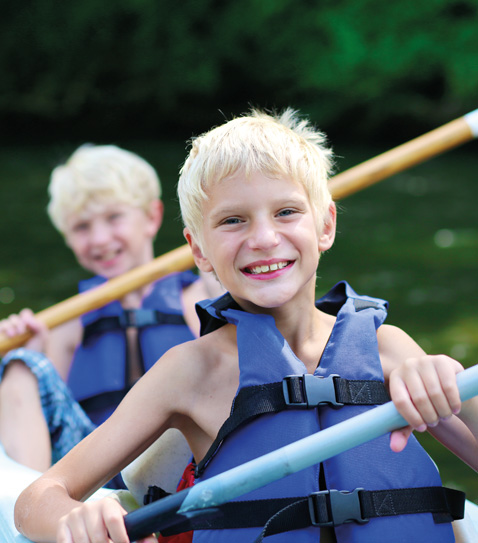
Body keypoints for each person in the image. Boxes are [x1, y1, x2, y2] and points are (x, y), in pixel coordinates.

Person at [14, 109, 478, 543]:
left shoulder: (390, 349)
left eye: (287, 212)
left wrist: (450, 382)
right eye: (233, 221)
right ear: (199, 251)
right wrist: (75, 518)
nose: (263, 239)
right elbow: (36, 499)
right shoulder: (190, 371)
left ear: (326, 225)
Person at [0, 144, 221, 481]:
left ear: (152, 217)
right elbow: (48, 412)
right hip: (95, 476)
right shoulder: (66, 324)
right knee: (20, 367)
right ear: (68, 239)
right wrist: (28, 352)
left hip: (184, 463)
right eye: (81, 227)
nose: (100, 239)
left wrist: (219, 284)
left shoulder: (200, 297)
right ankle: (31, 514)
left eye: (114, 217)